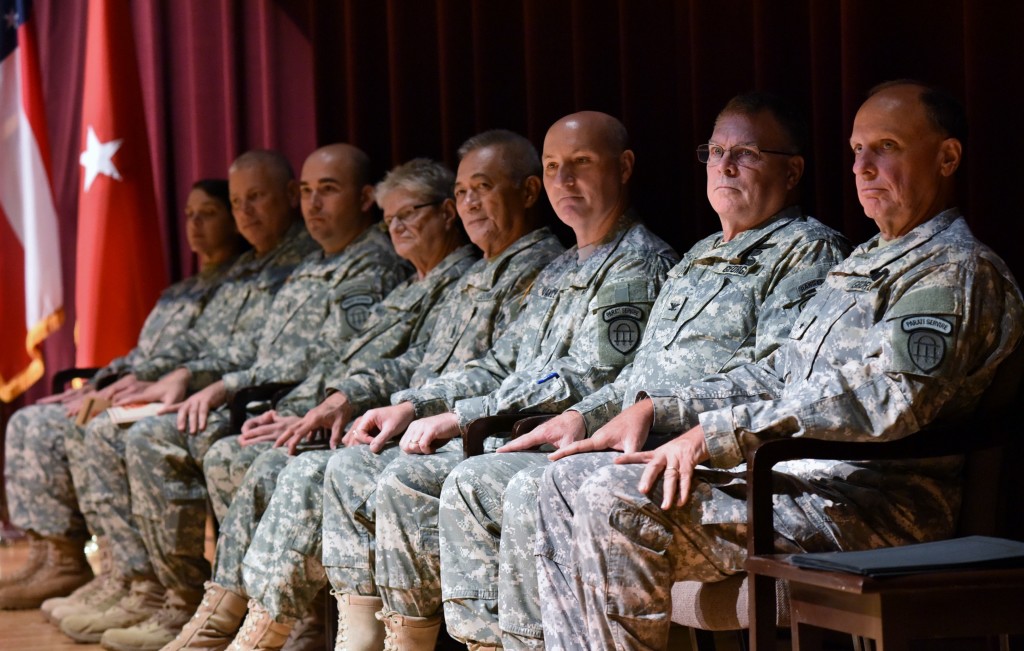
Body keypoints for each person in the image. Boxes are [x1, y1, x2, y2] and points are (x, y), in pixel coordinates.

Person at [535, 81, 1024, 651]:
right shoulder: (865, 261)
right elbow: (777, 374)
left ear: (947, 157)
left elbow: (886, 400)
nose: (863, 167)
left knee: (616, 502)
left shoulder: (956, 269)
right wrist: (664, 410)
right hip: (795, 481)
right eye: (856, 151)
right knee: (566, 479)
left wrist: (712, 438)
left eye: (885, 147)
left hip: (873, 502)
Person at [438, 92, 850, 650]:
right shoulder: (697, 256)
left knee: (533, 488)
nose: (724, 166)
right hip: (637, 439)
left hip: (714, 455)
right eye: (715, 151)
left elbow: (776, 377)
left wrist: (661, 412)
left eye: (746, 153)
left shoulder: (807, 252)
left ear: (793, 169)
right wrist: (584, 414)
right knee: (480, 479)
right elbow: (638, 373)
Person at [163, 131, 563, 651]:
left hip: (471, 432)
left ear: (527, 191)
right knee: (267, 457)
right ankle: (261, 621)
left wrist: (413, 406)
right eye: (464, 192)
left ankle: (274, 630)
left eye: (481, 189)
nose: (395, 228)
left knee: (311, 468)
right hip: (420, 422)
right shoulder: (474, 275)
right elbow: (406, 362)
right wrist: (344, 398)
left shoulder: (530, 268)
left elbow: (503, 373)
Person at [331, 111, 678, 648]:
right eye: (555, 166)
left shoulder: (638, 262)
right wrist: (416, 405)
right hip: (508, 433)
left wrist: (460, 417)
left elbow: (585, 377)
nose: (565, 181)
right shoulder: (561, 268)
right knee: (363, 463)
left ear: (624, 167)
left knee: (414, 478)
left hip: (563, 441)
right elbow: (499, 364)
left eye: (581, 164)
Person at [54, 148, 340, 647]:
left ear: (286, 198)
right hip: (240, 394)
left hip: (269, 402)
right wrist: (136, 375)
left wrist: (202, 380)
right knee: (103, 423)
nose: (244, 213)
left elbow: (290, 353)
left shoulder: (311, 260)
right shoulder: (248, 267)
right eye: (237, 202)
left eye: (256, 199)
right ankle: (148, 585)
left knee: (150, 437)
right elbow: (208, 343)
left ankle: (216, 601)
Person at [0, 178, 247, 612]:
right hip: (144, 387)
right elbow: (145, 352)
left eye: (207, 213)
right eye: (189, 215)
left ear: (233, 217)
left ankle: (143, 579)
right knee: (31, 419)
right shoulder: (180, 291)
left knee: (97, 427)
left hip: (181, 395)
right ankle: (58, 555)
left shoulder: (243, 281)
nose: (195, 224)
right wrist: (100, 382)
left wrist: (120, 387)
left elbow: (196, 353)